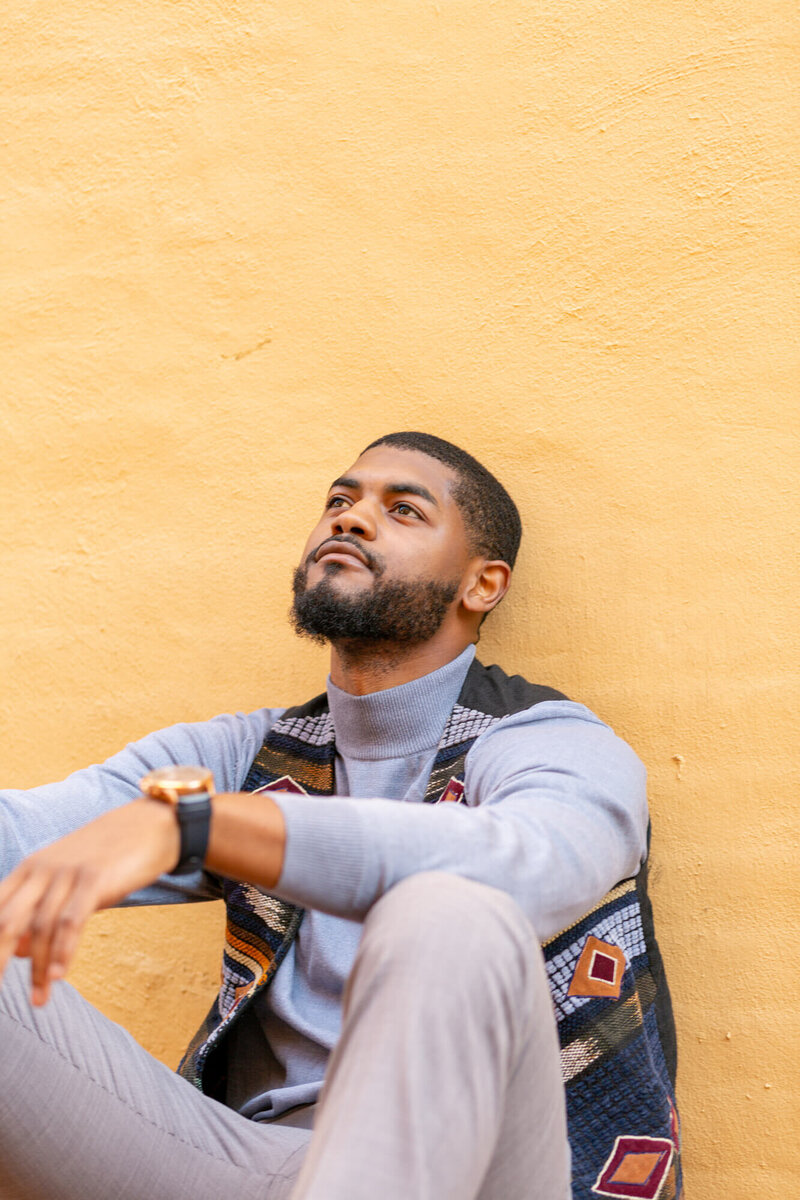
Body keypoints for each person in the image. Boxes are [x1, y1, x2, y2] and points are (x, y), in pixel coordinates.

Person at [0, 432, 682, 1200]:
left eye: (403, 509)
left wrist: (201, 826)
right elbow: (19, 837)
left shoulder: (552, 742)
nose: (352, 520)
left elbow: (531, 864)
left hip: (492, 1170)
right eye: (339, 500)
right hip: (241, 1163)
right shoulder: (245, 755)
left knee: (447, 912)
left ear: (483, 584)